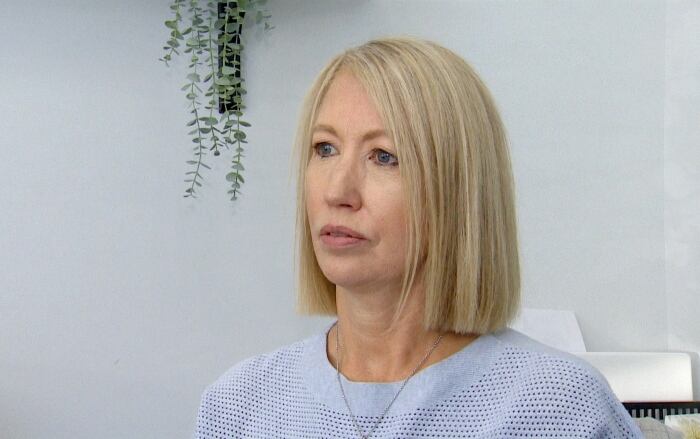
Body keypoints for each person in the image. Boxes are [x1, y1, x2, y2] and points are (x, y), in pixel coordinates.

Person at [194, 36, 643, 438]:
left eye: (384, 156)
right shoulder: (236, 408)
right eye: (324, 149)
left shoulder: (560, 412)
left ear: (458, 191)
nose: (337, 191)